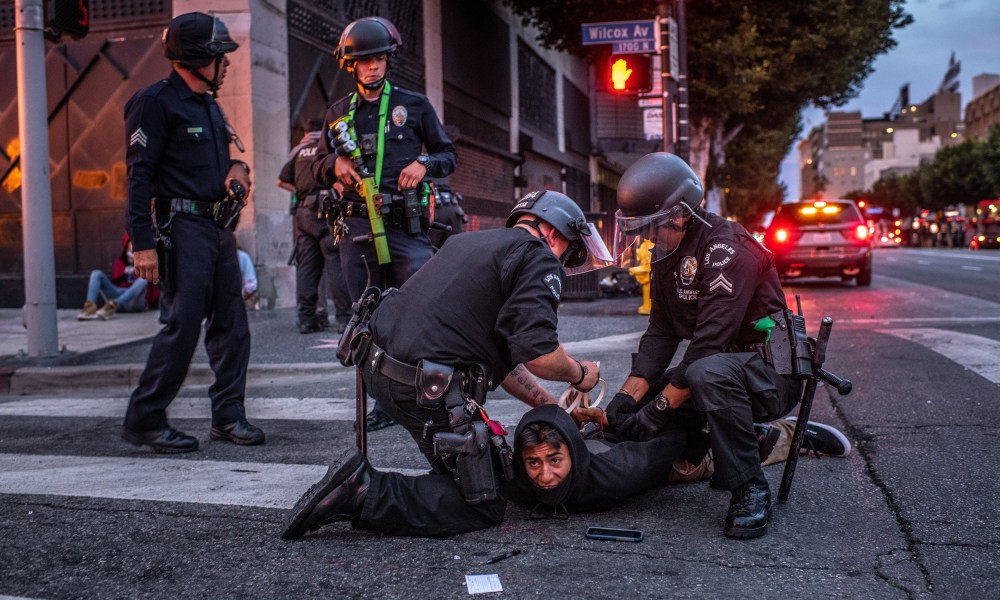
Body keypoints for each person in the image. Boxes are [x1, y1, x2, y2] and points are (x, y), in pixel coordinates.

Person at [280, 190, 614, 539]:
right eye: (565, 253)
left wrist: (553, 407)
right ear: (554, 232)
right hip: (425, 391)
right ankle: (362, 492)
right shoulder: (538, 256)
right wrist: (582, 374)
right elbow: (541, 355)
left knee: (469, 473)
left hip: (381, 374)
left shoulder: (468, 244)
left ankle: (391, 485)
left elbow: (507, 360)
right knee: (481, 502)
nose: (559, 262)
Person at [604, 152, 804, 540]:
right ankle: (753, 439)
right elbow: (661, 333)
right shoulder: (666, 254)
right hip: (719, 371)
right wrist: (627, 401)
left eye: (651, 226)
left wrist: (659, 410)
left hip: (770, 374)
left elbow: (709, 346)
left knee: (698, 377)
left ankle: (749, 487)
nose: (646, 238)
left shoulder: (728, 249)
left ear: (679, 214)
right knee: (640, 414)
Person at [120, 12, 263, 454]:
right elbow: (138, 176)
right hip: (180, 229)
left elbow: (228, 161)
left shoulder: (209, 105)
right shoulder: (156, 101)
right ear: (198, 57)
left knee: (232, 326)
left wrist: (238, 170)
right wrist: (142, 243)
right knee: (181, 325)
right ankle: (145, 419)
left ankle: (228, 416)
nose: (227, 64)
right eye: (220, 56)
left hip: (218, 228)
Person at [311, 17, 458, 431]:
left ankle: (433, 392)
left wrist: (424, 163)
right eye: (364, 61)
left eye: (378, 59)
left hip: (405, 225)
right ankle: (382, 403)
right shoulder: (338, 114)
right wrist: (333, 164)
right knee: (368, 315)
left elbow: (448, 155)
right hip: (358, 226)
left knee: (424, 306)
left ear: (388, 60)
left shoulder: (414, 105)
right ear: (350, 65)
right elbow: (314, 168)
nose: (373, 67)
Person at [278, 117, 352, 334]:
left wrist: (302, 193)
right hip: (327, 208)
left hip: (303, 212)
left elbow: (280, 181)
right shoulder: (327, 148)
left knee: (307, 267)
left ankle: (306, 319)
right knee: (335, 262)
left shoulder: (298, 151)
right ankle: (343, 319)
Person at [77, 234, 159, 321]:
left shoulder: (144, 263)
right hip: (118, 297)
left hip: (134, 300)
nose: (135, 246)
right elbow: (116, 282)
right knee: (96, 274)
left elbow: (150, 286)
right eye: (132, 243)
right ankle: (90, 307)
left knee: (143, 278)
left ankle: (114, 304)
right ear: (126, 245)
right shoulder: (119, 263)